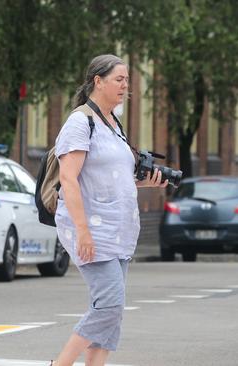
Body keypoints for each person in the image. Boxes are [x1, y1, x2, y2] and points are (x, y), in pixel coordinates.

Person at [50, 55, 167, 366]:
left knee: (111, 310)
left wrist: (146, 183)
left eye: (127, 80)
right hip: (92, 230)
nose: (125, 85)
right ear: (97, 81)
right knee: (110, 305)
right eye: (119, 79)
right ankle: (60, 364)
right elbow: (68, 178)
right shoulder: (80, 122)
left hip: (119, 231)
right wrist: (83, 231)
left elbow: (111, 179)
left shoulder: (113, 124)